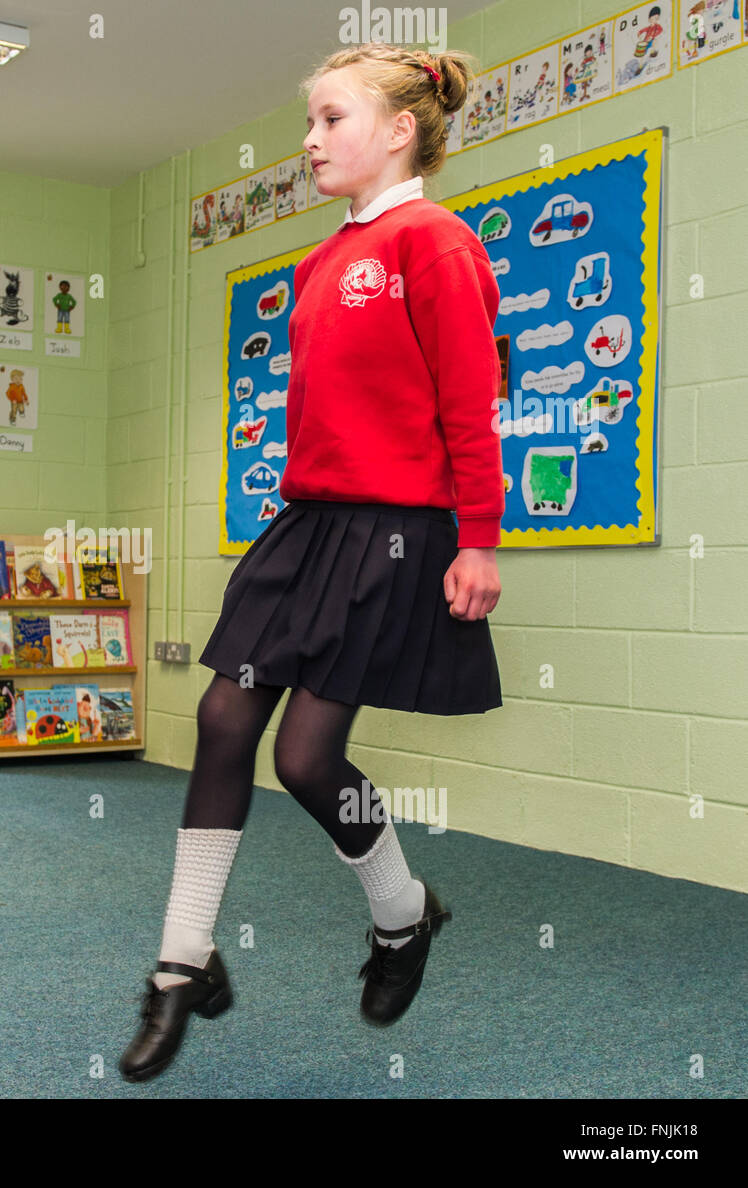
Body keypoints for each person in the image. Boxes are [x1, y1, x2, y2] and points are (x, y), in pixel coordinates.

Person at [120, 42, 504, 1083]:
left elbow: (471, 407)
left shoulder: (437, 244)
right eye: (310, 121)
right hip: (305, 530)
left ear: (396, 131)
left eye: (330, 120)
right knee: (220, 721)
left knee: (302, 761)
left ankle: (400, 918)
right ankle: (178, 966)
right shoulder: (318, 262)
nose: (309, 141)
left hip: (394, 535)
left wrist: (478, 537)